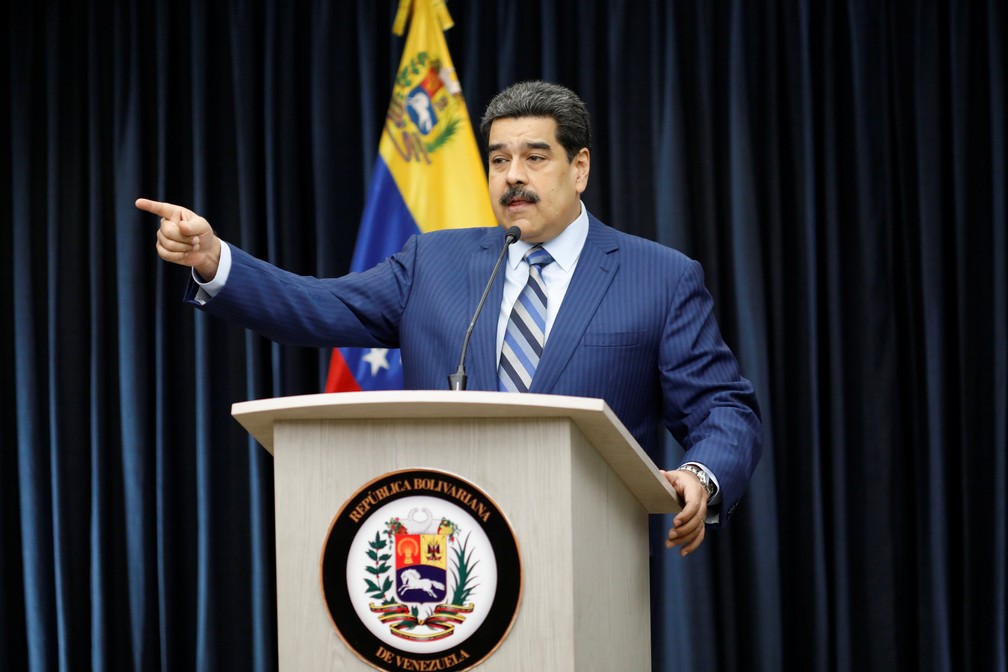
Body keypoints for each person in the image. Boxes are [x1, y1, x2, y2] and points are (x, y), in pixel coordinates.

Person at [136, 80, 761, 557]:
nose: (513, 176)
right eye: (498, 160)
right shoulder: (433, 261)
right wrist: (215, 259)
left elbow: (723, 409)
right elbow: (318, 307)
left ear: (580, 167)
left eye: (535, 157)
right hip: (444, 554)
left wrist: (700, 474)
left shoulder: (659, 276)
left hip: (588, 555)